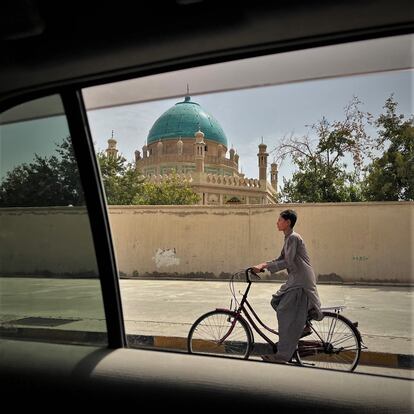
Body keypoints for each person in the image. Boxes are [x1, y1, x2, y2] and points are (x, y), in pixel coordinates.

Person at [252, 209, 323, 364]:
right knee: (276, 302)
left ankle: (282, 355)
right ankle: (303, 325)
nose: (277, 222)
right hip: (295, 279)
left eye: (279, 220)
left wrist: (265, 265)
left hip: (300, 281)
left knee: (284, 311)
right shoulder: (289, 238)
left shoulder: (293, 238)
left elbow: (288, 262)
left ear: (287, 222)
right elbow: (281, 258)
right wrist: (264, 265)